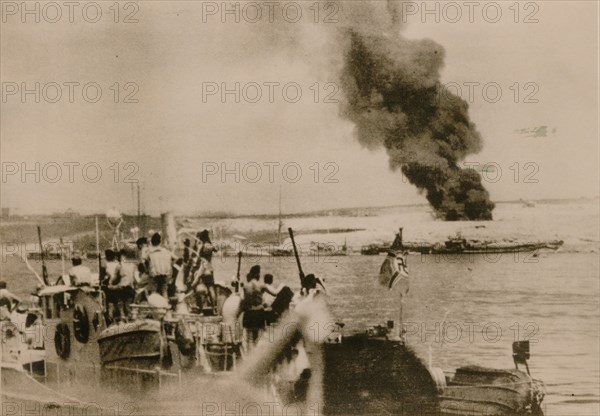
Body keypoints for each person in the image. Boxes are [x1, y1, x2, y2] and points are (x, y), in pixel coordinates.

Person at [190, 230, 218, 311]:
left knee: (197, 287)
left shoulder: (201, 246)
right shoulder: (209, 245)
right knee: (211, 288)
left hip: (202, 268)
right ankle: (214, 308)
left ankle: (200, 308)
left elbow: (197, 256)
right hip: (209, 269)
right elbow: (216, 249)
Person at [147, 233, 174, 298]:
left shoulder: (150, 253)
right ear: (160, 241)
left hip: (154, 275)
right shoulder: (166, 251)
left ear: (152, 242)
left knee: (154, 291)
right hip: (165, 274)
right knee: (164, 290)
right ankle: (165, 305)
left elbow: (147, 262)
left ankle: (154, 306)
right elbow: (175, 258)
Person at [112, 249, 137, 320]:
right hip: (131, 287)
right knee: (128, 303)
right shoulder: (133, 265)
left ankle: (122, 315)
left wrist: (111, 284)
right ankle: (129, 316)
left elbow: (114, 278)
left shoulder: (119, 266)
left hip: (122, 287)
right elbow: (135, 277)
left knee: (119, 299)